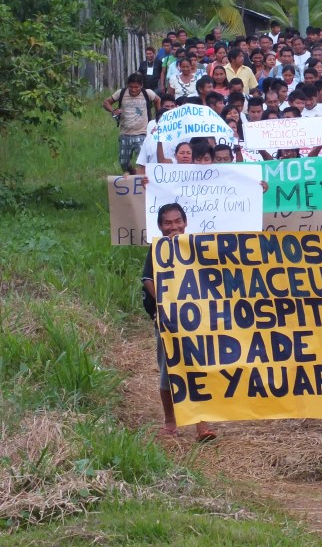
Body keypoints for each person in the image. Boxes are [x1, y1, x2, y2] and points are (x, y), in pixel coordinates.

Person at [142, 203, 217, 443]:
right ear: (160, 227)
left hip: (196, 323)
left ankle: (201, 425)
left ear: (185, 223)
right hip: (167, 322)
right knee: (168, 371)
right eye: (168, 223)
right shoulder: (156, 249)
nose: (173, 227)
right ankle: (170, 423)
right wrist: (165, 303)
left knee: (196, 369)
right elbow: (147, 280)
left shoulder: (196, 247)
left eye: (177, 221)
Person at [103, 73, 160, 173]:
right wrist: (113, 111)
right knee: (124, 163)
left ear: (141, 86)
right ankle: (133, 175)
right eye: (131, 87)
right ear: (127, 85)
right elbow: (106, 103)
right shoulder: (121, 93)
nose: (133, 90)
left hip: (142, 133)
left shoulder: (148, 93)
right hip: (125, 133)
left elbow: (157, 100)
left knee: (143, 161)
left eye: (136, 87)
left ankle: (143, 181)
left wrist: (158, 117)